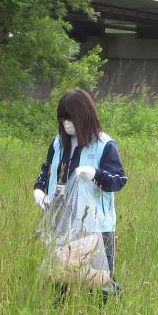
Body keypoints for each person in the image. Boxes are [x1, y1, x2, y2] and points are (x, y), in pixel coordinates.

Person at [34, 89, 127, 294]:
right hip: (63, 223)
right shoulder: (58, 142)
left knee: (99, 279)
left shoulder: (104, 145)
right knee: (61, 275)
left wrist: (96, 174)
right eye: (62, 120)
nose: (66, 124)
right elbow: (47, 169)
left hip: (96, 225)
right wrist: (39, 189)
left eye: (70, 119)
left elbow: (118, 180)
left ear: (83, 117)